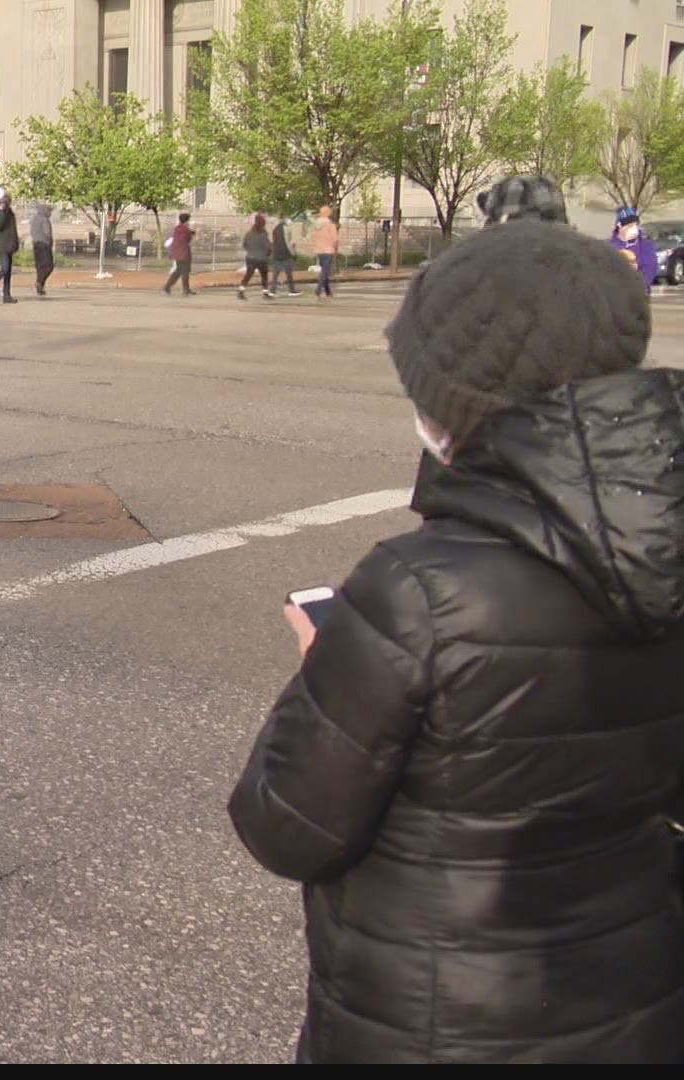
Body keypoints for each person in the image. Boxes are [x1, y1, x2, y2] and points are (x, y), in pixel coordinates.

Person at [229, 220, 684, 1064]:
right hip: (634, 1007)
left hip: (434, 1027)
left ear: (458, 403)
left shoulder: (417, 593)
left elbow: (285, 827)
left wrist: (325, 675)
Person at [610, 207, 660, 291]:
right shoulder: (610, 246)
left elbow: (650, 269)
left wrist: (639, 285)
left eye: (635, 224)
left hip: (639, 292)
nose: (634, 228)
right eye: (630, 225)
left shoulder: (646, 246)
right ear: (619, 226)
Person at [237, 214, 272, 300]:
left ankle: (241, 291)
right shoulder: (263, 233)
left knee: (248, 275)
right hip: (261, 258)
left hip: (250, 257)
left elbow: (244, 245)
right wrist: (268, 252)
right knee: (264, 276)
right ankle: (265, 293)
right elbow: (267, 245)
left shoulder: (249, 233)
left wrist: (250, 250)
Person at [309, 206, 339, 301]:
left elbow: (313, 237)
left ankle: (328, 292)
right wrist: (335, 249)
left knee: (324, 270)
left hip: (319, 250)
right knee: (325, 271)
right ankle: (318, 290)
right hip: (328, 250)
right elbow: (335, 239)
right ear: (328, 213)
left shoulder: (316, 225)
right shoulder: (330, 225)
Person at [163, 212, 196, 297]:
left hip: (177, 252)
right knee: (185, 271)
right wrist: (191, 233)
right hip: (184, 253)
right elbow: (187, 239)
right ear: (186, 220)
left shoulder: (177, 228)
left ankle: (168, 287)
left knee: (178, 271)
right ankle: (185, 289)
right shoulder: (185, 229)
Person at [270, 214, 301, 296]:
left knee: (276, 274)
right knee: (289, 272)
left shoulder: (274, 229)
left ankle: (272, 291)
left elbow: (274, 242)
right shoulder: (286, 228)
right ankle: (291, 290)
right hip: (285, 253)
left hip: (277, 253)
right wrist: (293, 253)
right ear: (284, 219)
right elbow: (288, 243)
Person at [30, 204, 55, 296]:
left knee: (40, 267)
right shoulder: (44, 220)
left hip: (36, 244)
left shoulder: (34, 219)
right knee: (49, 266)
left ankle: (40, 287)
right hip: (44, 245)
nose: (50, 213)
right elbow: (47, 233)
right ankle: (39, 282)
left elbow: (31, 232)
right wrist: (51, 241)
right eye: (49, 211)